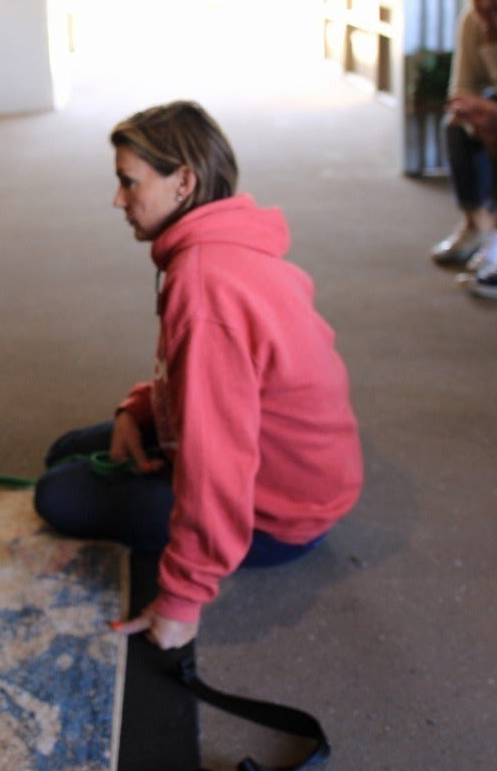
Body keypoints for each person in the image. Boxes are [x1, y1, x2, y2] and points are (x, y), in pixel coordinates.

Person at [33, 101, 363, 650]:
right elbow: (205, 378)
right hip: (292, 477)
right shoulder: (222, 248)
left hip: (277, 516)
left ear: (183, 182)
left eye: (129, 183)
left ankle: (205, 552)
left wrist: (183, 599)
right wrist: (138, 409)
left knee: (57, 493)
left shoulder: (204, 285)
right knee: (67, 449)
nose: (118, 199)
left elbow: (218, 458)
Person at [430, 0, 497, 278]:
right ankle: (477, 225)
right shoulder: (472, 20)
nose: (484, 2)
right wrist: (476, 115)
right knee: (456, 125)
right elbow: (462, 87)